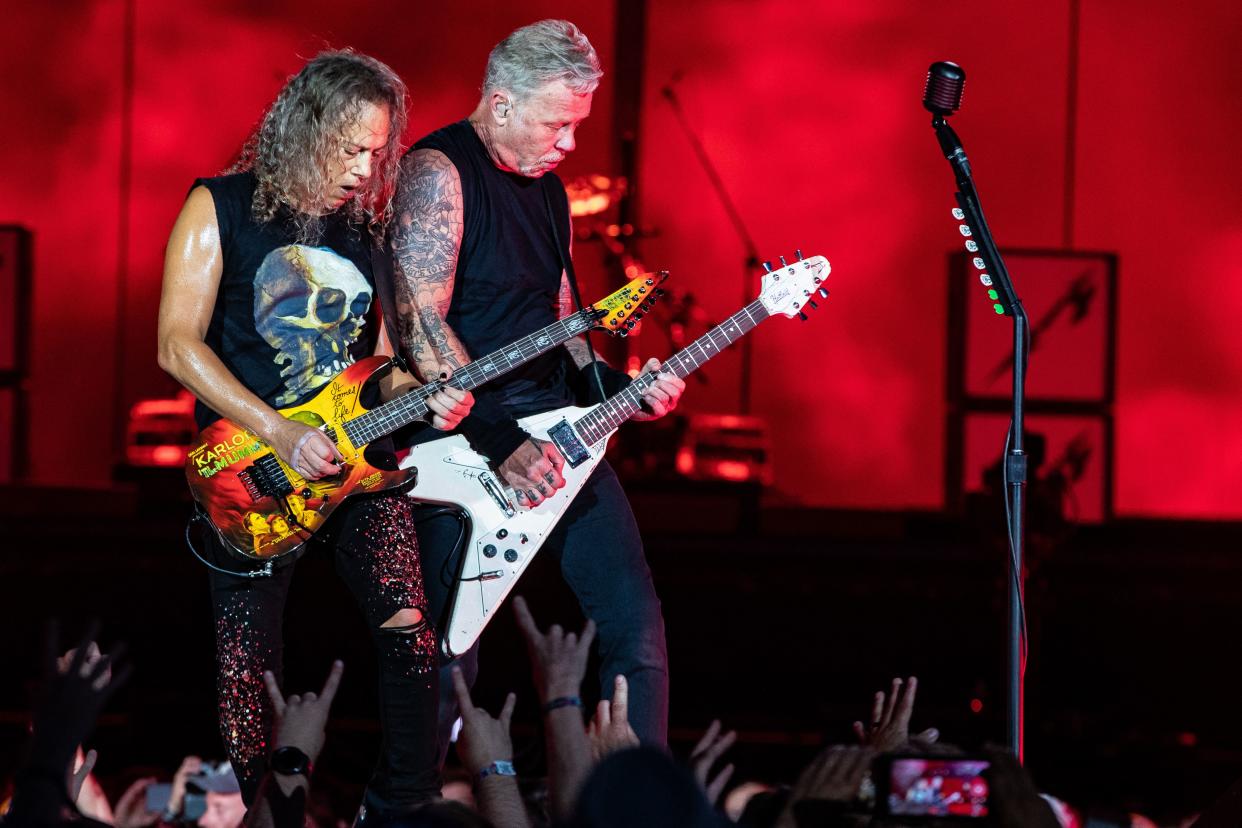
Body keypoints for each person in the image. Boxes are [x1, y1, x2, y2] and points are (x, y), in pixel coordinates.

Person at [156, 50, 473, 822]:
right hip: (250, 472)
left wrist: (432, 392)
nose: (365, 170)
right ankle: (271, 813)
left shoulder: (368, 232)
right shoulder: (219, 206)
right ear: (303, 130)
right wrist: (278, 430)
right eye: (349, 149)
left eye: (377, 152)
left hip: (359, 468)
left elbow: (388, 367)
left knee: (411, 628)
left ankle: (405, 804)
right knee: (248, 667)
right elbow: (175, 344)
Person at [391, 19, 685, 750]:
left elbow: (564, 322)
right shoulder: (438, 173)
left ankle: (638, 800)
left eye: (578, 125)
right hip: (458, 445)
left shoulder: (549, 194)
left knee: (636, 631)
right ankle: (413, 807)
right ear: (500, 105)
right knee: (449, 658)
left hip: (558, 434)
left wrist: (619, 388)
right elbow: (418, 322)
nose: (570, 145)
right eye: (558, 124)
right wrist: (496, 441)